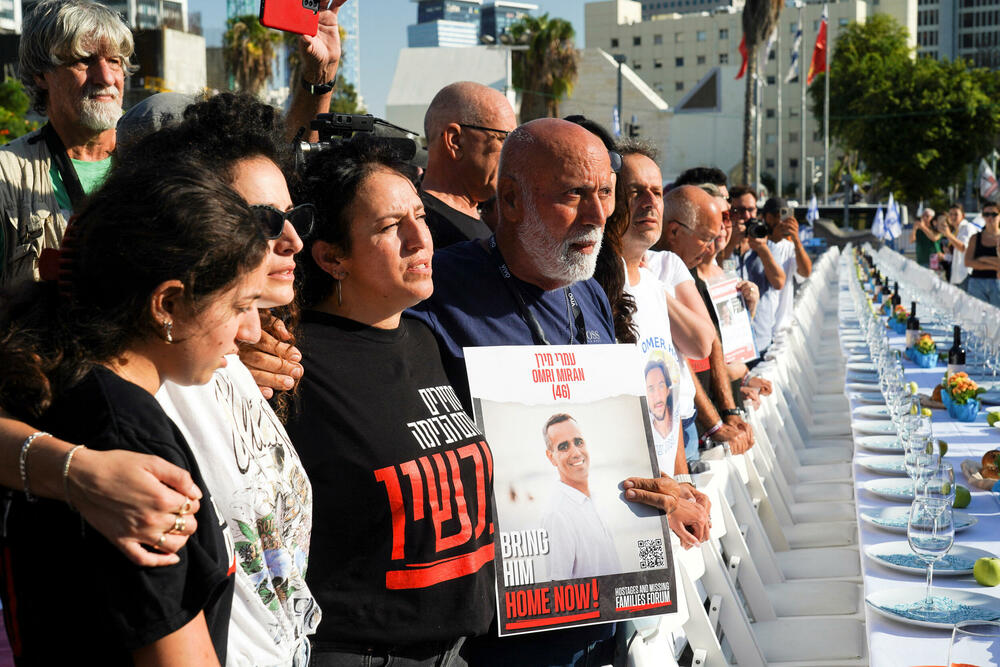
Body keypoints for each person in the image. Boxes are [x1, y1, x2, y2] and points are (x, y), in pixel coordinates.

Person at [409, 118, 687, 665]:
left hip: (604, 623)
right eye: (573, 195)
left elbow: (619, 444)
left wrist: (661, 497)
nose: (597, 215)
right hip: (496, 632)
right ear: (510, 199)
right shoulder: (432, 292)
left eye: (605, 193)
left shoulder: (593, 295)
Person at [0, 155, 270, 665]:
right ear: (167, 304)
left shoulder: (65, 378)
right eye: (239, 306)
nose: (251, 332)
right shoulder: (127, 435)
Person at [286, 138, 494, 667]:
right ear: (332, 257)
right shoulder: (290, 364)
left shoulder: (424, 339)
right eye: (388, 226)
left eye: (421, 215)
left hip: (457, 652)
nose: (420, 238)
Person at [0, 0, 345, 288]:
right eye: (84, 60)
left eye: (115, 61)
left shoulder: (169, 153)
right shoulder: (8, 176)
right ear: (40, 74)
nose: (105, 77)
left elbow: (282, 167)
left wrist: (320, 73)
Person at [646, 185, 754, 462]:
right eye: (705, 238)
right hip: (669, 420)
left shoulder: (678, 266)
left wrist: (726, 414)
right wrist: (716, 422)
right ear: (674, 231)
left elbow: (711, 341)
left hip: (690, 418)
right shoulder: (658, 267)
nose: (710, 249)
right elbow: (677, 356)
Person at [420, 81, 517, 248]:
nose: (513, 153)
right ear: (455, 141)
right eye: (505, 139)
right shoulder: (421, 229)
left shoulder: (481, 217)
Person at [540, 414, 622, 581]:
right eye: (563, 447)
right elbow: (559, 589)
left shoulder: (596, 498)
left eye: (578, 442)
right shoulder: (556, 515)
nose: (576, 452)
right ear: (551, 457)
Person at [723, 185, 787, 357]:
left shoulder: (769, 245)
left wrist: (762, 249)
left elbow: (779, 282)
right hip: (732, 340)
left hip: (761, 339)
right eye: (740, 211)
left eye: (751, 210)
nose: (747, 216)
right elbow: (712, 273)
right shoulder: (721, 245)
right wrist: (730, 244)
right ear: (730, 212)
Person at [763, 196, 812, 333]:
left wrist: (796, 240)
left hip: (781, 328)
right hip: (761, 327)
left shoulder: (790, 247)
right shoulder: (757, 245)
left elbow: (805, 273)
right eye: (777, 216)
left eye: (785, 216)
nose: (781, 221)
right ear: (767, 217)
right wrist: (773, 239)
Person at [964, 201, 1000, 305]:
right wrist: (995, 266)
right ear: (983, 217)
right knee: (976, 319)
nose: (990, 217)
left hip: (997, 284)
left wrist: (983, 259)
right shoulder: (975, 238)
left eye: (994, 214)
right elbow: (968, 262)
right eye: (986, 214)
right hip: (977, 282)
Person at [939, 201, 981, 291]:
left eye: (956, 214)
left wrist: (948, 235)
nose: (953, 217)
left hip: (966, 274)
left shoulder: (967, 228)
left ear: (963, 215)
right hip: (957, 275)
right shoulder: (956, 231)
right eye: (951, 214)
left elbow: (963, 248)